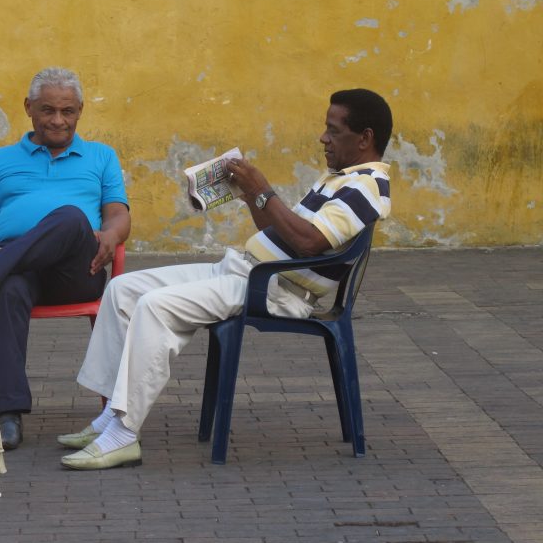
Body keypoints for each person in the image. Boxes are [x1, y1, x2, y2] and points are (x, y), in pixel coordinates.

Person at [60, 88, 393, 470]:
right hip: (245, 271)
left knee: (154, 307)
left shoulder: (367, 186)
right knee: (123, 289)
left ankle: (123, 433)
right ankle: (108, 416)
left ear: (365, 138)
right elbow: (286, 230)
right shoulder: (338, 178)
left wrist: (262, 190)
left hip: (276, 289)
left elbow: (308, 242)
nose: (323, 138)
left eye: (333, 131)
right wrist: (248, 195)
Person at [0, 67, 131, 450]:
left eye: (68, 111)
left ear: (80, 110)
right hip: (17, 267)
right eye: (48, 110)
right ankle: (7, 415)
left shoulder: (101, 156)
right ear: (28, 108)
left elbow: (118, 214)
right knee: (8, 287)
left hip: (76, 268)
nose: (58, 120)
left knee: (70, 217)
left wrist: (112, 235)